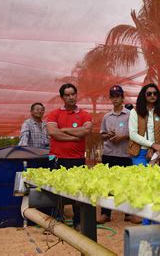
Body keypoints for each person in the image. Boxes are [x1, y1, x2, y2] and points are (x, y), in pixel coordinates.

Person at [46, 83, 93, 229]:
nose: (71, 97)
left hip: (77, 158)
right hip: (57, 158)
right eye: (67, 95)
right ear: (62, 97)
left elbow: (85, 131)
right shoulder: (54, 114)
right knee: (56, 190)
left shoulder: (84, 114)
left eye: (73, 94)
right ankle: (57, 221)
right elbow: (53, 132)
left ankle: (78, 222)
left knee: (78, 191)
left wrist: (64, 130)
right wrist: (74, 137)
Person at [97, 85, 132, 224]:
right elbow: (102, 135)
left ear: (122, 98)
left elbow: (134, 134)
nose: (115, 99)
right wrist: (108, 135)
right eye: (113, 96)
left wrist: (122, 137)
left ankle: (128, 214)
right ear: (110, 98)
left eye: (118, 96)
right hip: (109, 154)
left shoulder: (130, 115)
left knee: (126, 184)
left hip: (125, 154)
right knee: (107, 185)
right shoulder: (106, 117)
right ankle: (105, 214)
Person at [128, 83, 160, 167]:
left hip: (158, 152)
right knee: (141, 178)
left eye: (155, 93)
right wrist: (152, 145)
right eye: (149, 93)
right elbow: (132, 134)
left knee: (157, 179)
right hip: (139, 152)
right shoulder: (135, 111)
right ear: (144, 95)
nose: (152, 95)